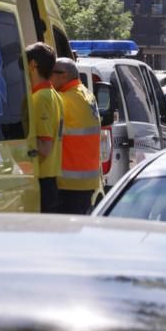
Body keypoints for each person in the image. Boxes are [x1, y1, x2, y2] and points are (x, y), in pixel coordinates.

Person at [50, 57, 101, 214]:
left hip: (69, 184)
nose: (48, 77)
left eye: (50, 73)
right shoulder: (86, 94)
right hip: (87, 182)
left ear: (63, 76)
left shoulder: (66, 100)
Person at [25, 42, 63, 213]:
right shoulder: (54, 94)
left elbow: (44, 147)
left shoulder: (41, 98)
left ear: (33, 65)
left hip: (41, 181)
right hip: (49, 179)